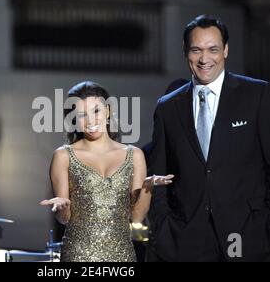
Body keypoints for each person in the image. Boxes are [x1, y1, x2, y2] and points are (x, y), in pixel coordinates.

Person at [147, 15, 270, 262]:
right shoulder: (168, 107)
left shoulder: (258, 95)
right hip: (188, 245)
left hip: (250, 240)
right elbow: (159, 178)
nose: (204, 59)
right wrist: (166, 232)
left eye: (213, 50)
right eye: (196, 50)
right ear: (185, 51)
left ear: (226, 50)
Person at [40, 81, 173, 262]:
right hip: (78, 256)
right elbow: (64, 219)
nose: (91, 120)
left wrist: (147, 187)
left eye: (96, 111)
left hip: (121, 256)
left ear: (108, 111)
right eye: (81, 115)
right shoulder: (63, 156)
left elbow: (136, 216)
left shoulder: (135, 155)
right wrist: (62, 208)